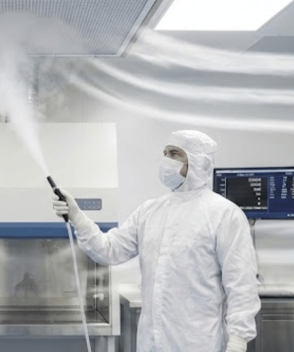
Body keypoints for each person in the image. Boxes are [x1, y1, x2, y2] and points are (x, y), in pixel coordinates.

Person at [53, 130, 260, 352]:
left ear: (198, 162)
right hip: (151, 343)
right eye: (165, 153)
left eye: (175, 154)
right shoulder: (150, 211)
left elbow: (241, 284)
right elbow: (109, 249)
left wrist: (238, 342)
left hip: (198, 344)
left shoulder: (225, 215)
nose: (166, 160)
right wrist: (77, 217)